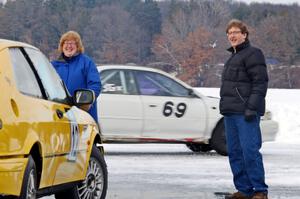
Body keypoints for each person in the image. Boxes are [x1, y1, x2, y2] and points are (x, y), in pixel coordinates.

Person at [220, 19, 269, 199]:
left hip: (246, 113)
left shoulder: (254, 54)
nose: (232, 36)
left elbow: (260, 83)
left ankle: (259, 190)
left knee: (249, 151)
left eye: (235, 32)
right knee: (234, 152)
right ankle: (244, 189)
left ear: (244, 35)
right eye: (229, 33)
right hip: (230, 113)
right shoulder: (232, 57)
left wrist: (251, 107)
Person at [52, 30, 101, 122]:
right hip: (60, 114)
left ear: (78, 46)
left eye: (72, 43)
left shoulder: (86, 62)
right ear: (62, 46)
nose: (69, 46)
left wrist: (87, 100)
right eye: (66, 43)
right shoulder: (54, 65)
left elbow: (95, 85)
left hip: (82, 114)